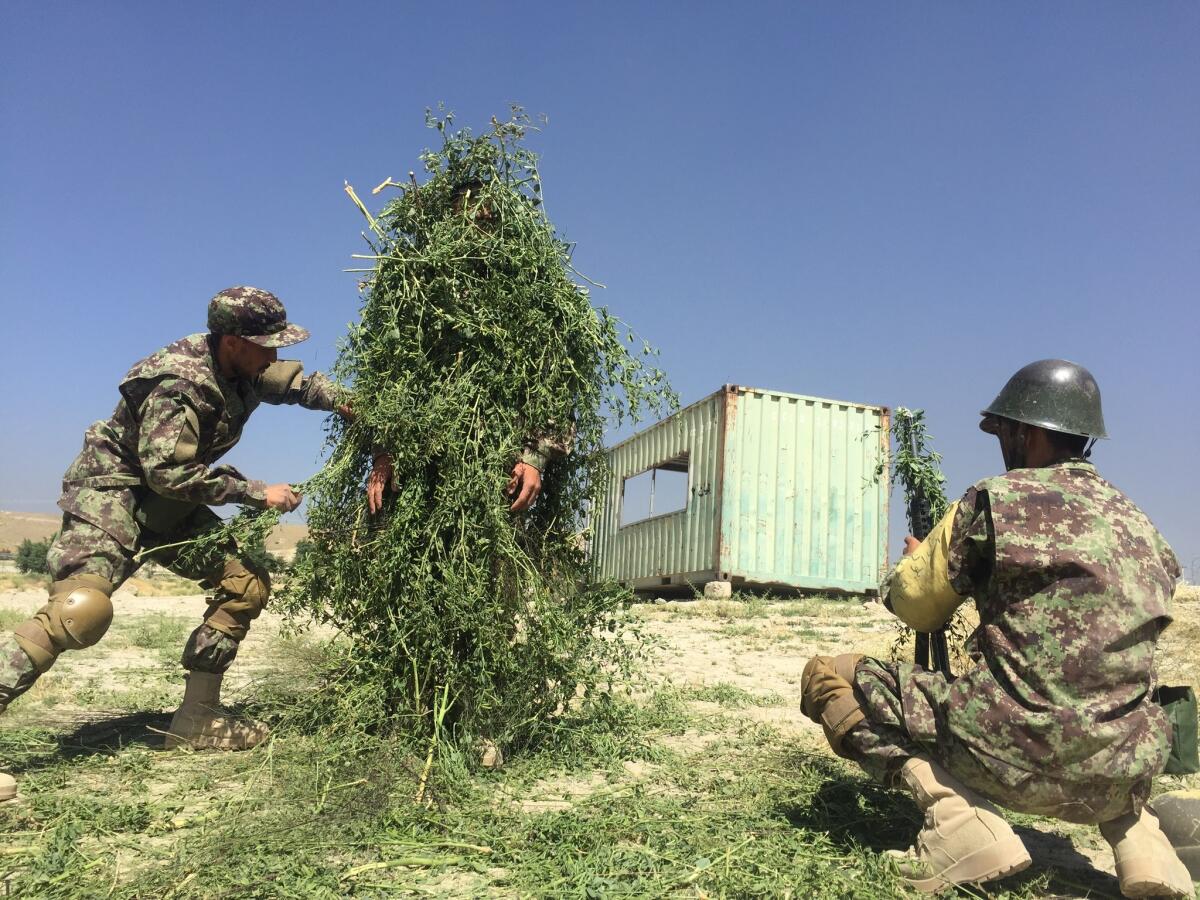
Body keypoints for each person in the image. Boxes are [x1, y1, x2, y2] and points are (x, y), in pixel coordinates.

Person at [800, 359, 1193, 898]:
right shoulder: (1144, 526)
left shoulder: (993, 500)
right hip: (1122, 769)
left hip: (1010, 755)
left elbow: (915, 607)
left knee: (830, 676)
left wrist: (917, 562)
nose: (1001, 444)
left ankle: (958, 821)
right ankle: (1142, 845)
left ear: (1026, 434)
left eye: (1004, 431)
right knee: (1117, 701)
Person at [0, 287, 344, 802]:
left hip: (172, 505)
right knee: (79, 610)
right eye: (264, 344)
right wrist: (255, 493)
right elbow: (166, 473)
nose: (273, 354)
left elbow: (302, 386)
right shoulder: (178, 382)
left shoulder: (244, 366)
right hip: (115, 494)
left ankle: (196, 718)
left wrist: (367, 411)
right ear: (231, 342)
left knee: (244, 585)